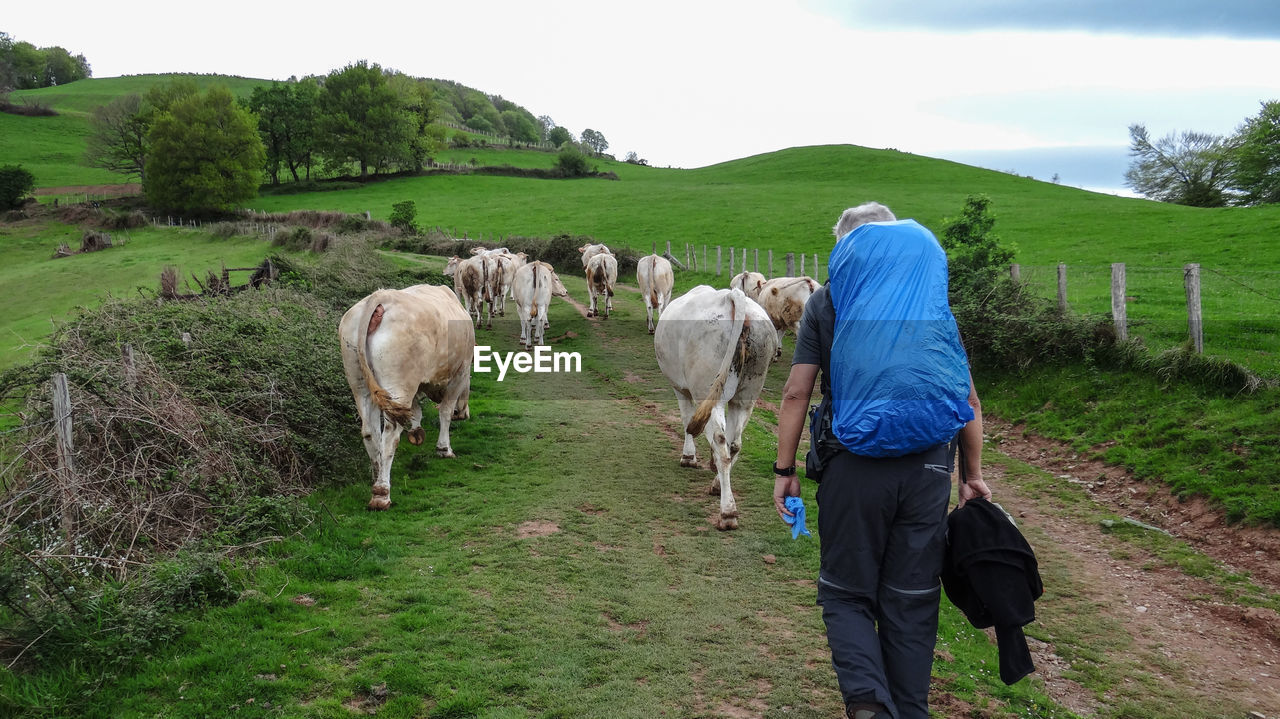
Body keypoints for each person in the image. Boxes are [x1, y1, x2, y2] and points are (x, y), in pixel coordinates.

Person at [772, 201, 991, 719]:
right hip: (929, 470)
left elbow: (796, 394)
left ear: (845, 248)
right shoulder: (929, 300)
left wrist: (785, 472)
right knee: (911, 602)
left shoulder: (826, 301)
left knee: (847, 596)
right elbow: (969, 401)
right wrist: (972, 477)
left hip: (854, 469)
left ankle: (869, 704)